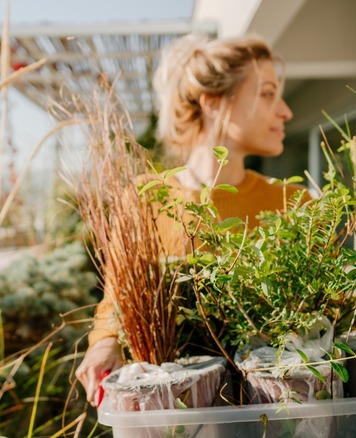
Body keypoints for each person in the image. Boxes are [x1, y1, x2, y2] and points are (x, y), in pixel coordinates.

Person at [74, 33, 310, 406]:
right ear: (214, 102)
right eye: (266, 93)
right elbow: (117, 300)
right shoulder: (145, 199)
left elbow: (325, 314)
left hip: (274, 409)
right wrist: (104, 342)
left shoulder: (296, 204)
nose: (285, 111)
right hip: (173, 408)